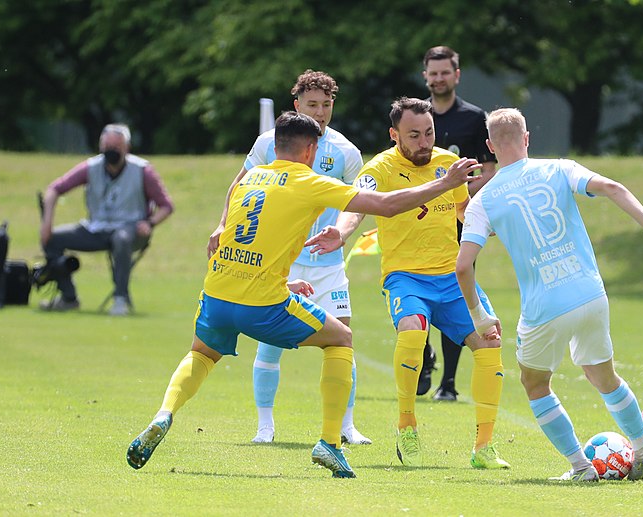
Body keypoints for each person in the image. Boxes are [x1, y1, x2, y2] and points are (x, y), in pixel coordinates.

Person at [126, 111, 481, 479]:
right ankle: (330, 442)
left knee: (201, 354)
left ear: (275, 146)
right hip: (262, 304)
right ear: (310, 150)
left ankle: (163, 414)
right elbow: (386, 205)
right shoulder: (310, 182)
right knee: (341, 338)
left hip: (218, 291)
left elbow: (252, 235)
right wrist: (446, 183)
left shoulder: (252, 178)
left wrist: (283, 282)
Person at [455, 107, 643, 481]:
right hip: (590, 293)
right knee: (604, 376)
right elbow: (613, 188)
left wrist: (479, 316)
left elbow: (463, 265)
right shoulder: (560, 168)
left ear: (489, 146)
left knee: (535, 384)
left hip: (544, 307)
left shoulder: (484, 200)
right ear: (527, 138)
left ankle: (581, 467)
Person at [306, 97, 509, 470]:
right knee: (413, 331)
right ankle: (406, 424)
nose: (423, 141)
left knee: (491, 342)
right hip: (406, 277)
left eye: (429, 132)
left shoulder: (449, 165)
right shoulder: (380, 168)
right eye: (413, 134)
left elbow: (464, 210)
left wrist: (490, 222)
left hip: (451, 278)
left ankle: (484, 447)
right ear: (393, 135)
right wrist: (343, 231)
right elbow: (362, 204)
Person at [208, 70, 371, 445]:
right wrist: (222, 225)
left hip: (328, 266)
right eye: (312, 105)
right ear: (296, 105)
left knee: (343, 340)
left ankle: (347, 426)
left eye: (326, 105)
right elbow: (239, 186)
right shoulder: (269, 143)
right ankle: (265, 427)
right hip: (281, 261)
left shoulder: (345, 151)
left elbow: (357, 205)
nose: (320, 112)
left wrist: (341, 233)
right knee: (270, 344)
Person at [417, 45, 498, 401]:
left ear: (457, 75)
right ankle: (422, 356)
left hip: (459, 223)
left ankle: (448, 383)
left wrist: (456, 189)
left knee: (456, 295)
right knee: (410, 289)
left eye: (444, 73)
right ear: (425, 77)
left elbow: (490, 171)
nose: (438, 79)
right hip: (417, 222)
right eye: (432, 74)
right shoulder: (415, 116)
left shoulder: (474, 117)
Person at [38, 124, 174, 316]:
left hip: (131, 230)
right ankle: (68, 297)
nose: (111, 151)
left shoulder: (143, 170)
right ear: (101, 146)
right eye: (107, 146)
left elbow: (166, 206)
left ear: (127, 148)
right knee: (52, 239)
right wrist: (47, 223)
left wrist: (150, 223)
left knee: (121, 239)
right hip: (96, 229)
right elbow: (54, 189)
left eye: (116, 147)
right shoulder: (90, 167)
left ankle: (121, 299)